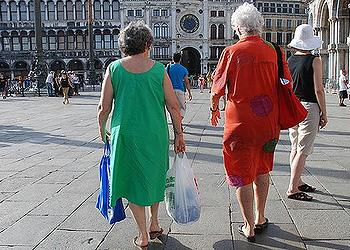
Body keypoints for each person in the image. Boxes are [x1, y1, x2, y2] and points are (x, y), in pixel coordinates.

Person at [97, 21, 185, 249]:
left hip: (124, 133)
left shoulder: (114, 68)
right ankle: (155, 222)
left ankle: (142, 234)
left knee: (133, 180)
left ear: (124, 45)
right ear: (148, 44)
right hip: (154, 133)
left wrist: (102, 129)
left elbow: (103, 107)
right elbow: (173, 106)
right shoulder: (158, 69)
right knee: (155, 176)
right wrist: (179, 135)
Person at [210, 3, 284, 242]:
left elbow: (217, 88)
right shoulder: (275, 51)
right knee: (263, 169)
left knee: (242, 173)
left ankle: (248, 226)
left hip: (240, 125)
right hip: (268, 124)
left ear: (238, 28)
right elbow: (285, 84)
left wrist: (214, 109)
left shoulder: (231, 52)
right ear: (259, 27)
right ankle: (261, 217)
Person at [287, 24, 328, 201]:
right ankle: (292, 188)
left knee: (295, 147)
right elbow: (319, 89)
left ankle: (298, 180)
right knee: (303, 150)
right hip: (309, 107)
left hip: (293, 106)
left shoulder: (290, 61)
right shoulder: (314, 60)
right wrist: (324, 113)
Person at [167, 52, 192, 118]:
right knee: (182, 107)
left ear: (173, 59)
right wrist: (189, 93)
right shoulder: (184, 69)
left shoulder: (168, 68)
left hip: (170, 90)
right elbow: (187, 82)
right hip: (180, 90)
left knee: (172, 107)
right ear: (180, 59)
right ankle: (179, 120)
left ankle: (173, 120)